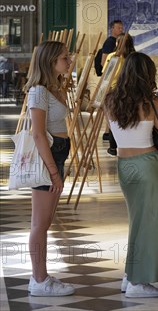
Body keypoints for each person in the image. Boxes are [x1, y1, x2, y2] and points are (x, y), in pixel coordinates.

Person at [104, 52, 158, 298]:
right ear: (148, 75)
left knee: (137, 221)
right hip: (148, 164)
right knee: (149, 223)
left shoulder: (110, 99)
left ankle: (130, 274)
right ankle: (137, 282)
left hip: (124, 166)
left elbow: (111, 132)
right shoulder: (151, 102)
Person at [23, 41, 75, 296]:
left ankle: (41, 276)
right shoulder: (38, 92)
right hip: (48, 156)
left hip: (58, 152)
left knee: (46, 220)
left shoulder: (54, 89)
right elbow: (38, 134)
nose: (69, 61)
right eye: (65, 58)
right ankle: (38, 280)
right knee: (40, 223)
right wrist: (53, 171)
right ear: (50, 61)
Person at [102, 33, 136, 156]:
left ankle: (113, 147)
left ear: (118, 43)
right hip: (130, 91)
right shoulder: (134, 57)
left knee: (113, 119)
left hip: (113, 91)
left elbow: (105, 74)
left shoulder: (112, 57)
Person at [101, 20, 124, 141]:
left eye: (122, 28)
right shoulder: (110, 42)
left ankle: (109, 131)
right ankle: (108, 131)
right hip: (111, 81)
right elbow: (104, 61)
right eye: (118, 28)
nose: (121, 30)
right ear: (112, 29)